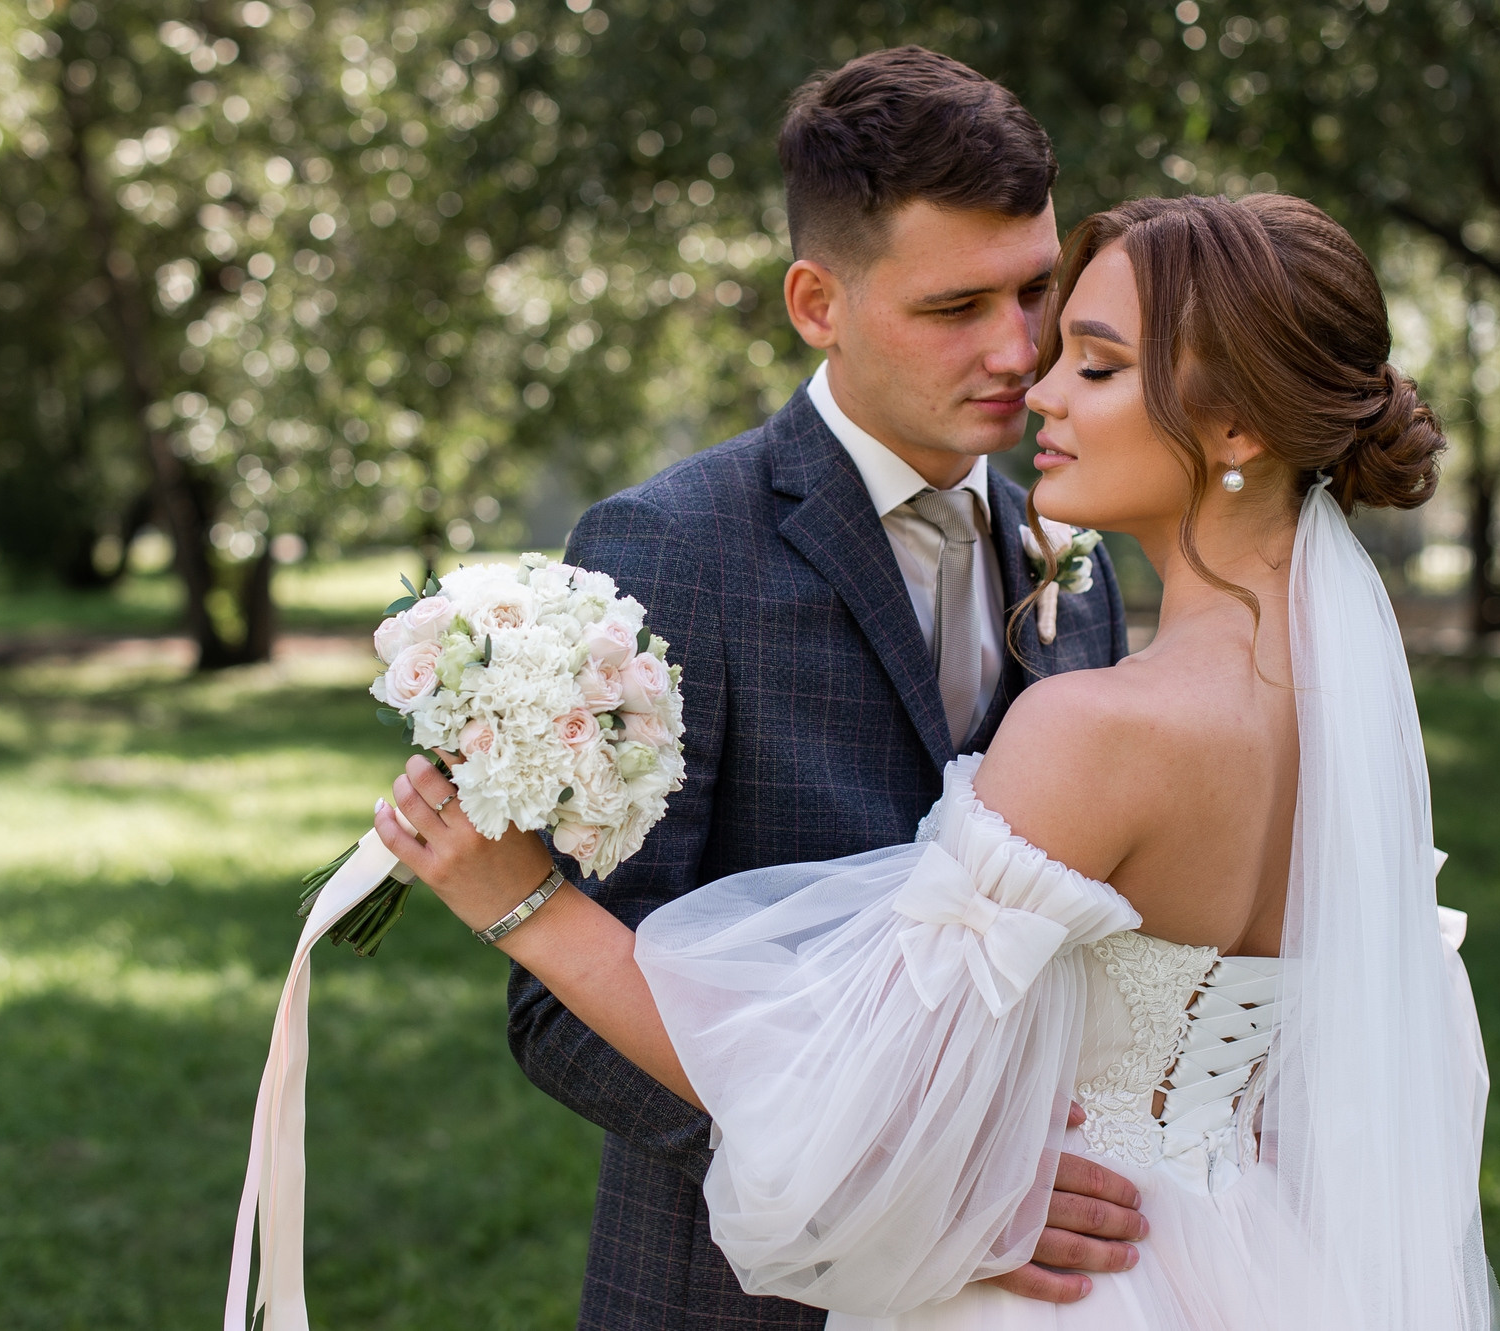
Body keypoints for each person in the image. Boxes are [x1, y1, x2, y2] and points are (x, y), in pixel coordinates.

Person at [379, 190, 1500, 1329]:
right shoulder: (1347, 709)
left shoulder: (1097, 727)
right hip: (1249, 1262)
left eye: (1095, 365)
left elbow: (839, 1108)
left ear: (1236, 429)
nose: (1038, 384)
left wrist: (517, 897)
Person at [410, 46, 1139, 1331]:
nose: (1018, 350)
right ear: (816, 300)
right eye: (953, 306)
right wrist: (912, 1193)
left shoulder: (1069, 554)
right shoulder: (671, 548)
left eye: (1036, 291)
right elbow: (561, 1004)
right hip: (736, 1290)